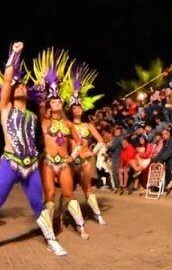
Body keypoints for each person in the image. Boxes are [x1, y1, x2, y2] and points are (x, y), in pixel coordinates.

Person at [0, 42, 67, 259]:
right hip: (10, 162)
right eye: (18, 86)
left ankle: (51, 240)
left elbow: (49, 109)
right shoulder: (5, 108)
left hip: (30, 165)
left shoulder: (33, 116)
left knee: (37, 204)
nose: (22, 87)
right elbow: (7, 80)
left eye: (24, 86)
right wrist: (15, 54)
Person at [32, 49, 88, 239]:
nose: (56, 102)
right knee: (49, 195)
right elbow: (40, 104)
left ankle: (80, 227)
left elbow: (79, 141)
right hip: (47, 161)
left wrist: (74, 155)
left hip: (64, 161)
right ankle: (49, 230)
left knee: (69, 193)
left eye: (58, 100)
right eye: (53, 101)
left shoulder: (68, 123)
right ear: (49, 105)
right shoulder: (44, 121)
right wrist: (41, 86)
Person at [66, 61, 107, 224]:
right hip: (72, 161)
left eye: (80, 106)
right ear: (71, 110)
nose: (78, 109)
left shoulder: (88, 125)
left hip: (85, 161)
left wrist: (94, 152)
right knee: (68, 190)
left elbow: (101, 141)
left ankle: (97, 214)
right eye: (75, 107)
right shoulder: (68, 125)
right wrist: (74, 154)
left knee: (87, 189)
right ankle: (64, 214)